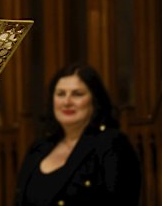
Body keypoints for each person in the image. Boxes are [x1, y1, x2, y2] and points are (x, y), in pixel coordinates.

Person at [14, 62, 142, 206]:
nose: (67, 102)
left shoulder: (112, 144)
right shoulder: (39, 147)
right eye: (61, 94)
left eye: (77, 94)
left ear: (94, 101)